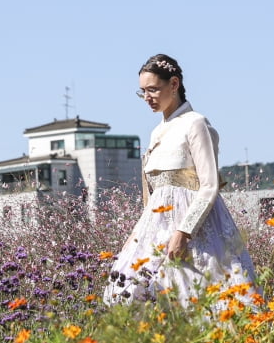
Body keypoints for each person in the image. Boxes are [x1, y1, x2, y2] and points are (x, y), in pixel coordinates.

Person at [103, 53, 258, 310]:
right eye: (142, 91)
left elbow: (209, 185)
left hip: (194, 230)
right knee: (126, 293)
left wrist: (184, 232)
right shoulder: (156, 132)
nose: (147, 98)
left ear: (174, 84)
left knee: (202, 300)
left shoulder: (195, 123)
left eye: (153, 89)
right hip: (157, 229)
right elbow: (152, 196)